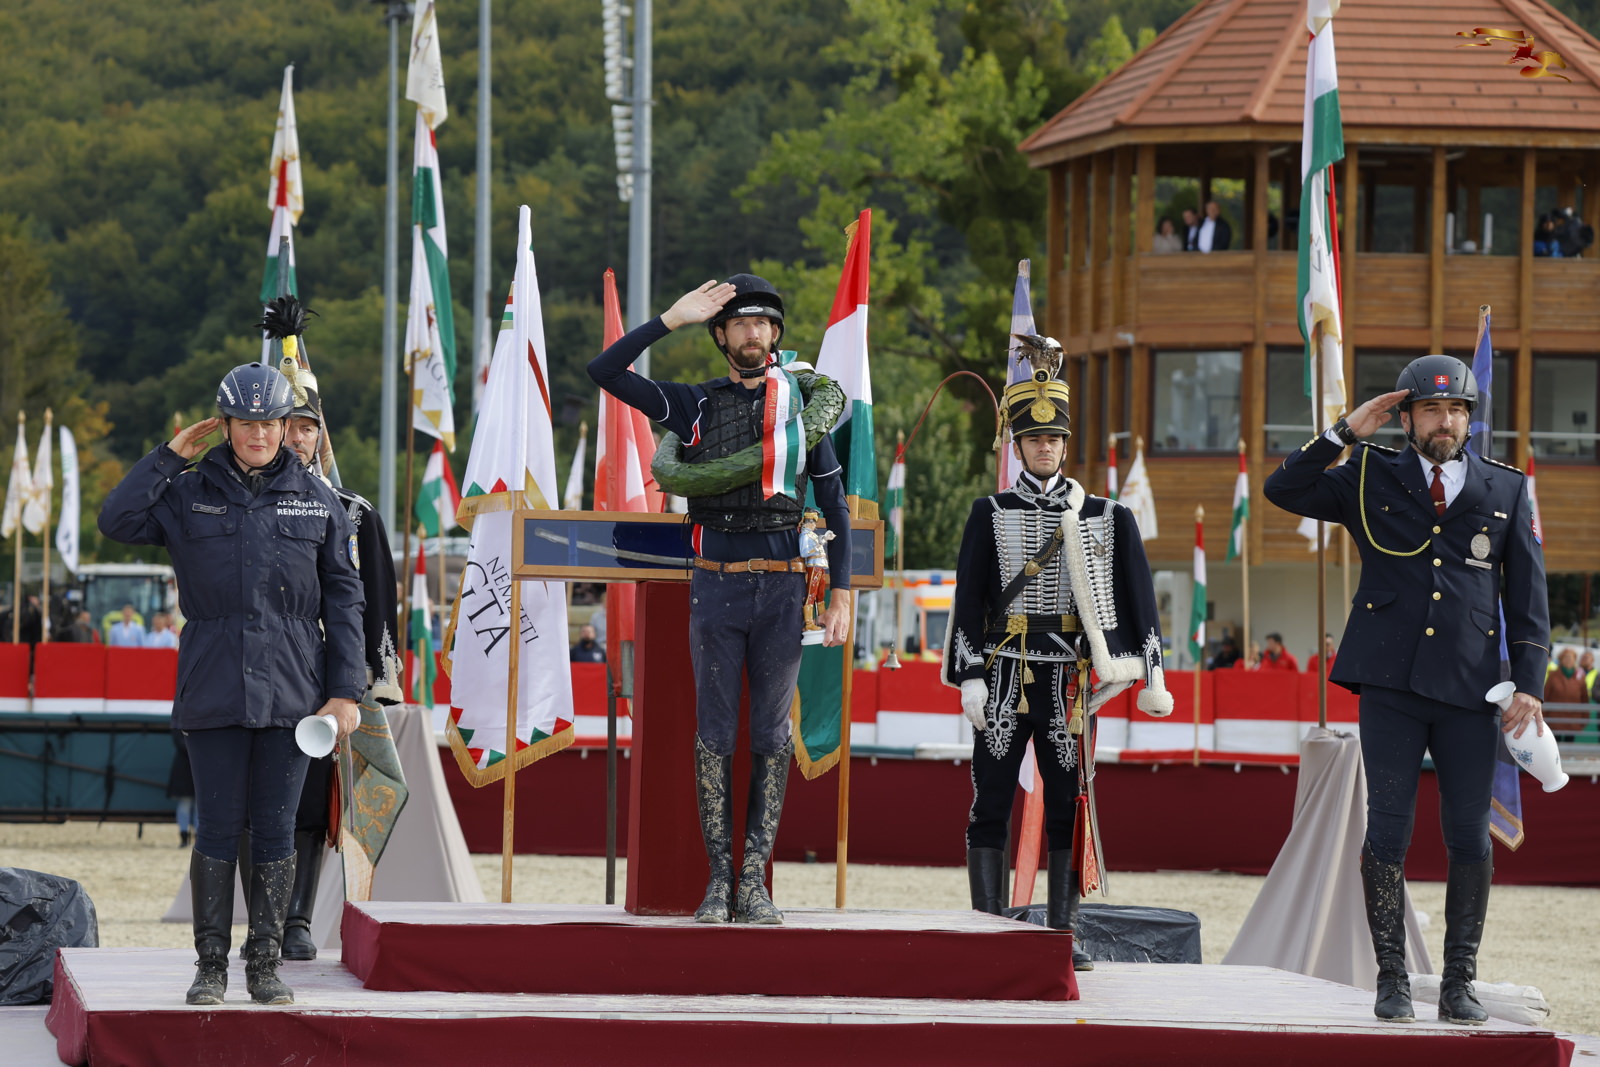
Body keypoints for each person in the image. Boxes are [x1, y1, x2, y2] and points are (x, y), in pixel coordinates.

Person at [1264, 353, 1549, 1026]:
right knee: (1387, 832)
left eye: (1456, 411)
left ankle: (1459, 981)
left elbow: (1528, 596)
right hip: (1390, 681)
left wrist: (1530, 684)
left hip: (1471, 690)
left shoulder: (1506, 488)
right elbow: (1285, 488)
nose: (1444, 421)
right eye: (1430, 409)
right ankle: (1391, 976)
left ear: (1470, 420)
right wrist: (1346, 431)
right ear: (1408, 418)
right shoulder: (1368, 473)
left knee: (1469, 837)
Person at [98, 360, 364, 1007]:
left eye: (270, 422)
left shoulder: (318, 498)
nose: (259, 434)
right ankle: (210, 967)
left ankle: (265, 965)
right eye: (245, 422)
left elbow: (345, 599)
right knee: (217, 828)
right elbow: (116, 520)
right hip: (213, 684)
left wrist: (345, 692)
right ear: (223, 425)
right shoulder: (185, 493)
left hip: (293, 693)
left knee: (276, 831)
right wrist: (167, 457)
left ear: (285, 425)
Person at [588, 274, 852, 926]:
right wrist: (668, 318)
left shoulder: (800, 410)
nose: (752, 334)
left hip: (785, 587)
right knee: (714, 731)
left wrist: (842, 592)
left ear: (776, 335)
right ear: (720, 335)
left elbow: (835, 505)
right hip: (716, 583)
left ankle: (754, 882)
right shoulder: (694, 405)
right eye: (739, 323)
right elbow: (606, 371)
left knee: (771, 732)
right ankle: (717, 881)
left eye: (763, 324)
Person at [944, 340, 1172, 972]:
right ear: (1016, 445)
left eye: (1053, 438)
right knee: (991, 800)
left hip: (1070, 682)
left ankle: (1062, 934)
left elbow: (1140, 599)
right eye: (1033, 438)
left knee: (1069, 802)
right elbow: (969, 599)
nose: (1044, 447)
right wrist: (969, 675)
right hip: (1003, 674)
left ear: (1065, 445)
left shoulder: (1107, 515)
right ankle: (989, 929)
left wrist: (1148, 674)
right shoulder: (990, 512)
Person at [261, 360, 403, 962]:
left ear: (321, 435)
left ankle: (295, 920)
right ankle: (262, 920)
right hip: (258, 672)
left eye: (308, 427)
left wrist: (368, 681)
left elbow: (375, 599)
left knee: (312, 798)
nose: (297, 438)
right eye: (288, 424)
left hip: (325, 682)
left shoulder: (354, 511)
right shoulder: (241, 507)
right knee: (252, 801)